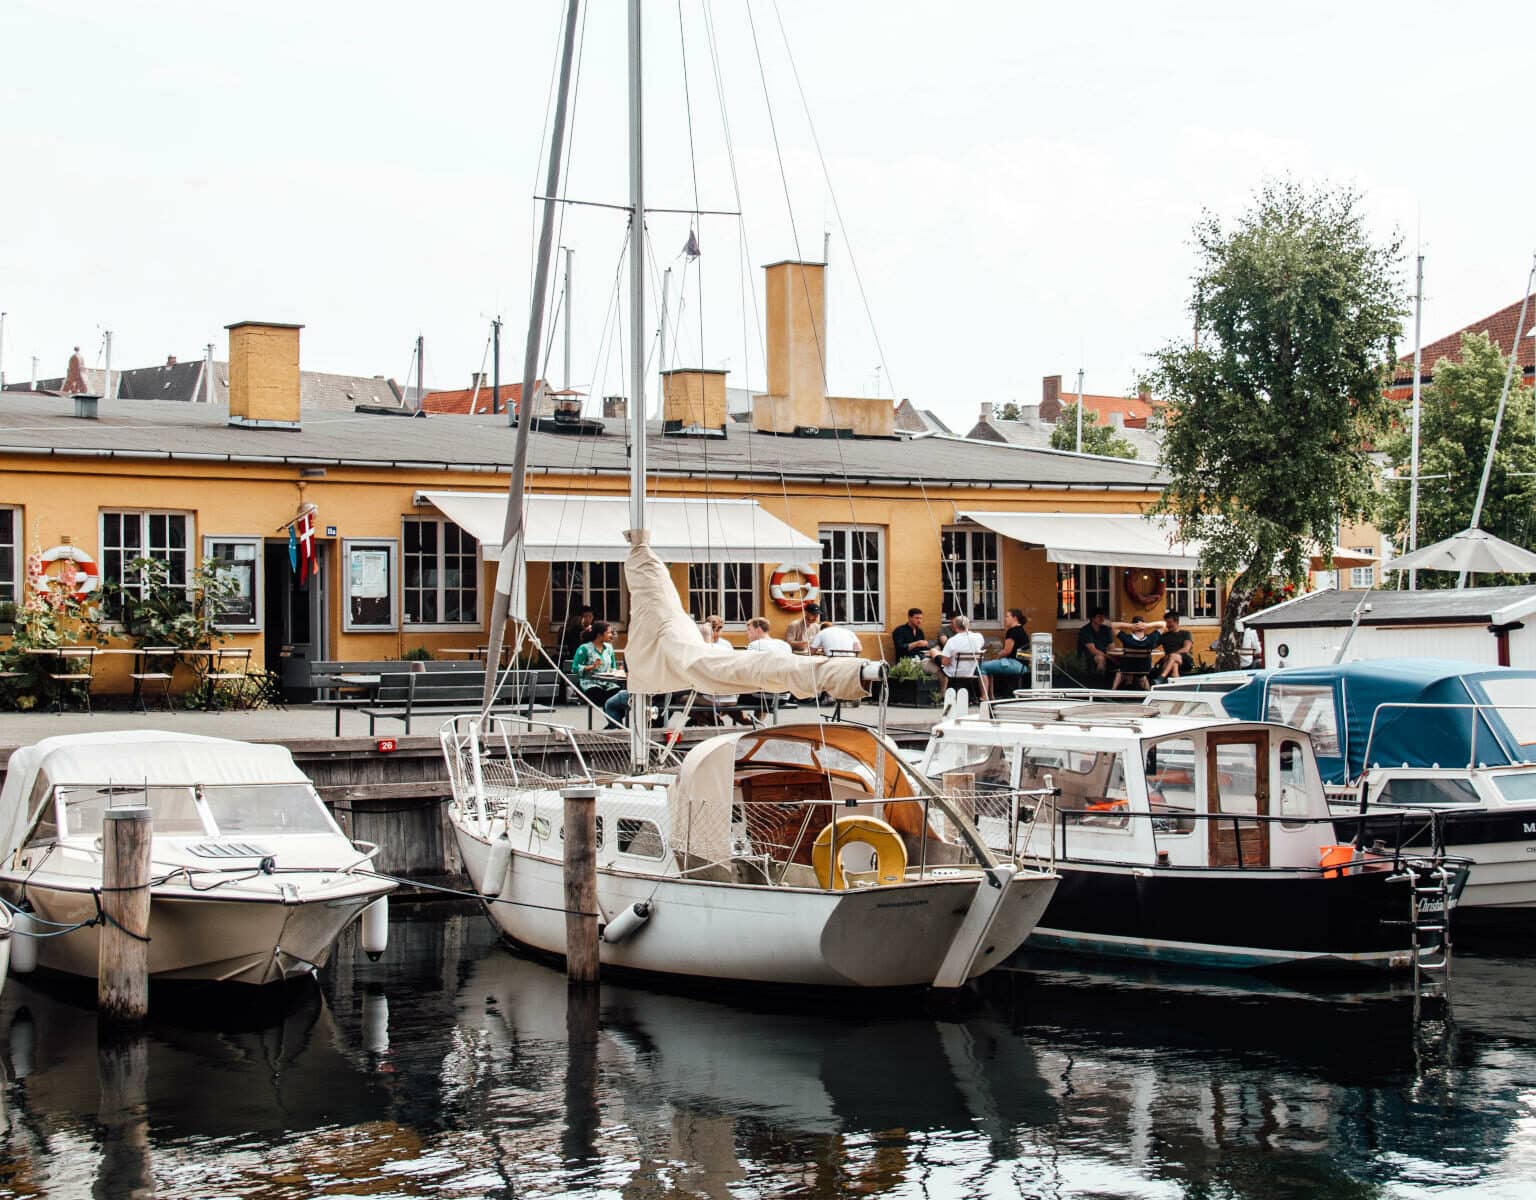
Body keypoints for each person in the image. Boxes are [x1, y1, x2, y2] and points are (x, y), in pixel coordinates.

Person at [571, 621, 624, 723]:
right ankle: (615, 724)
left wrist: (618, 671)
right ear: (600, 634)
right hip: (590, 684)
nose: (611, 635)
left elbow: (613, 667)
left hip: (608, 683)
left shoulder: (609, 648)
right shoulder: (585, 648)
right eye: (608, 633)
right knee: (607, 699)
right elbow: (575, 668)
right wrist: (591, 667)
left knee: (620, 697)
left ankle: (614, 724)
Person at [978, 608, 1030, 700]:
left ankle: (984, 696)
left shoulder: (1012, 631)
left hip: (1014, 664)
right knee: (989, 667)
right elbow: (1025, 654)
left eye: (1007, 616)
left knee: (982, 667)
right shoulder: (1022, 631)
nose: (1005, 619)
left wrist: (997, 657)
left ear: (1015, 618)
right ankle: (991, 696)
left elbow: (1007, 651)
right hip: (1023, 666)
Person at [934, 613, 986, 688]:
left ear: (955, 627)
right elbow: (980, 646)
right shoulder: (979, 637)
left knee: (935, 655)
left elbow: (945, 662)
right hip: (971, 671)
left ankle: (943, 692)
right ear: (968, 625)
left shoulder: (952, 640)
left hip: (954, 673)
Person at [1112, 615, 1158, 691]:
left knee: (1120, 672)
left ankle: (1113, 690)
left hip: (1127, 669)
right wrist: (1147, 625)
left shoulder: (1127, 639)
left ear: (1133, 628)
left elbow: (1113, 625)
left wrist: (1131, 626)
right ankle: (1149, 692)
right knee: (1142, 675)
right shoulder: (1151, 639)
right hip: (1144, 669)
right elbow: (1163, 624)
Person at [1157, 611, 1196, 679]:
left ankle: (1162, 677)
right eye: (1166, 623)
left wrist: (1170, 655)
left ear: (1176, 622)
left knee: (1173, 656)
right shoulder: (1164, 636)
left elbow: (1185, 649)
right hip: (1169, 661)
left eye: (1169, 622)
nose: (1167, 625)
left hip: (1185, 660)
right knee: (1174, 664)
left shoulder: (1186, 634)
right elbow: (1152, 645)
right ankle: (1175, 682)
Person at [1077, 608, 1112, 675]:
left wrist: (1113, 655)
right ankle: (1098, 679)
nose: (1102, 618)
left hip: (1105, 654)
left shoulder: (1106, 629)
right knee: (1100, 659)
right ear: (1093, 618)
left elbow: (1111, 646)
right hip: (1089, 656)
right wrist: (1107, 656)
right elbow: (1092, 650)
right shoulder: (1085, 630)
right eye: (1099, 616)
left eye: (1103, 616)